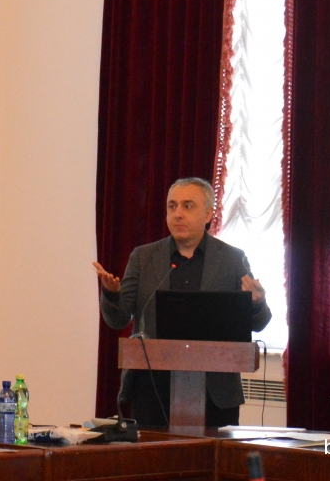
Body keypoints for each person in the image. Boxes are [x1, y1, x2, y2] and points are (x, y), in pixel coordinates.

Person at [95, 177, 272, 427]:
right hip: (152, 390)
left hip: (215, 391)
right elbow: (119, 319)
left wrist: (256, 302)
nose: (178, 213)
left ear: (208, 214)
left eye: (188, 206)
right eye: (172, 206)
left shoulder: (232, 259)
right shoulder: (143, 257)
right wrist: (112, 294)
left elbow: (258, 323)